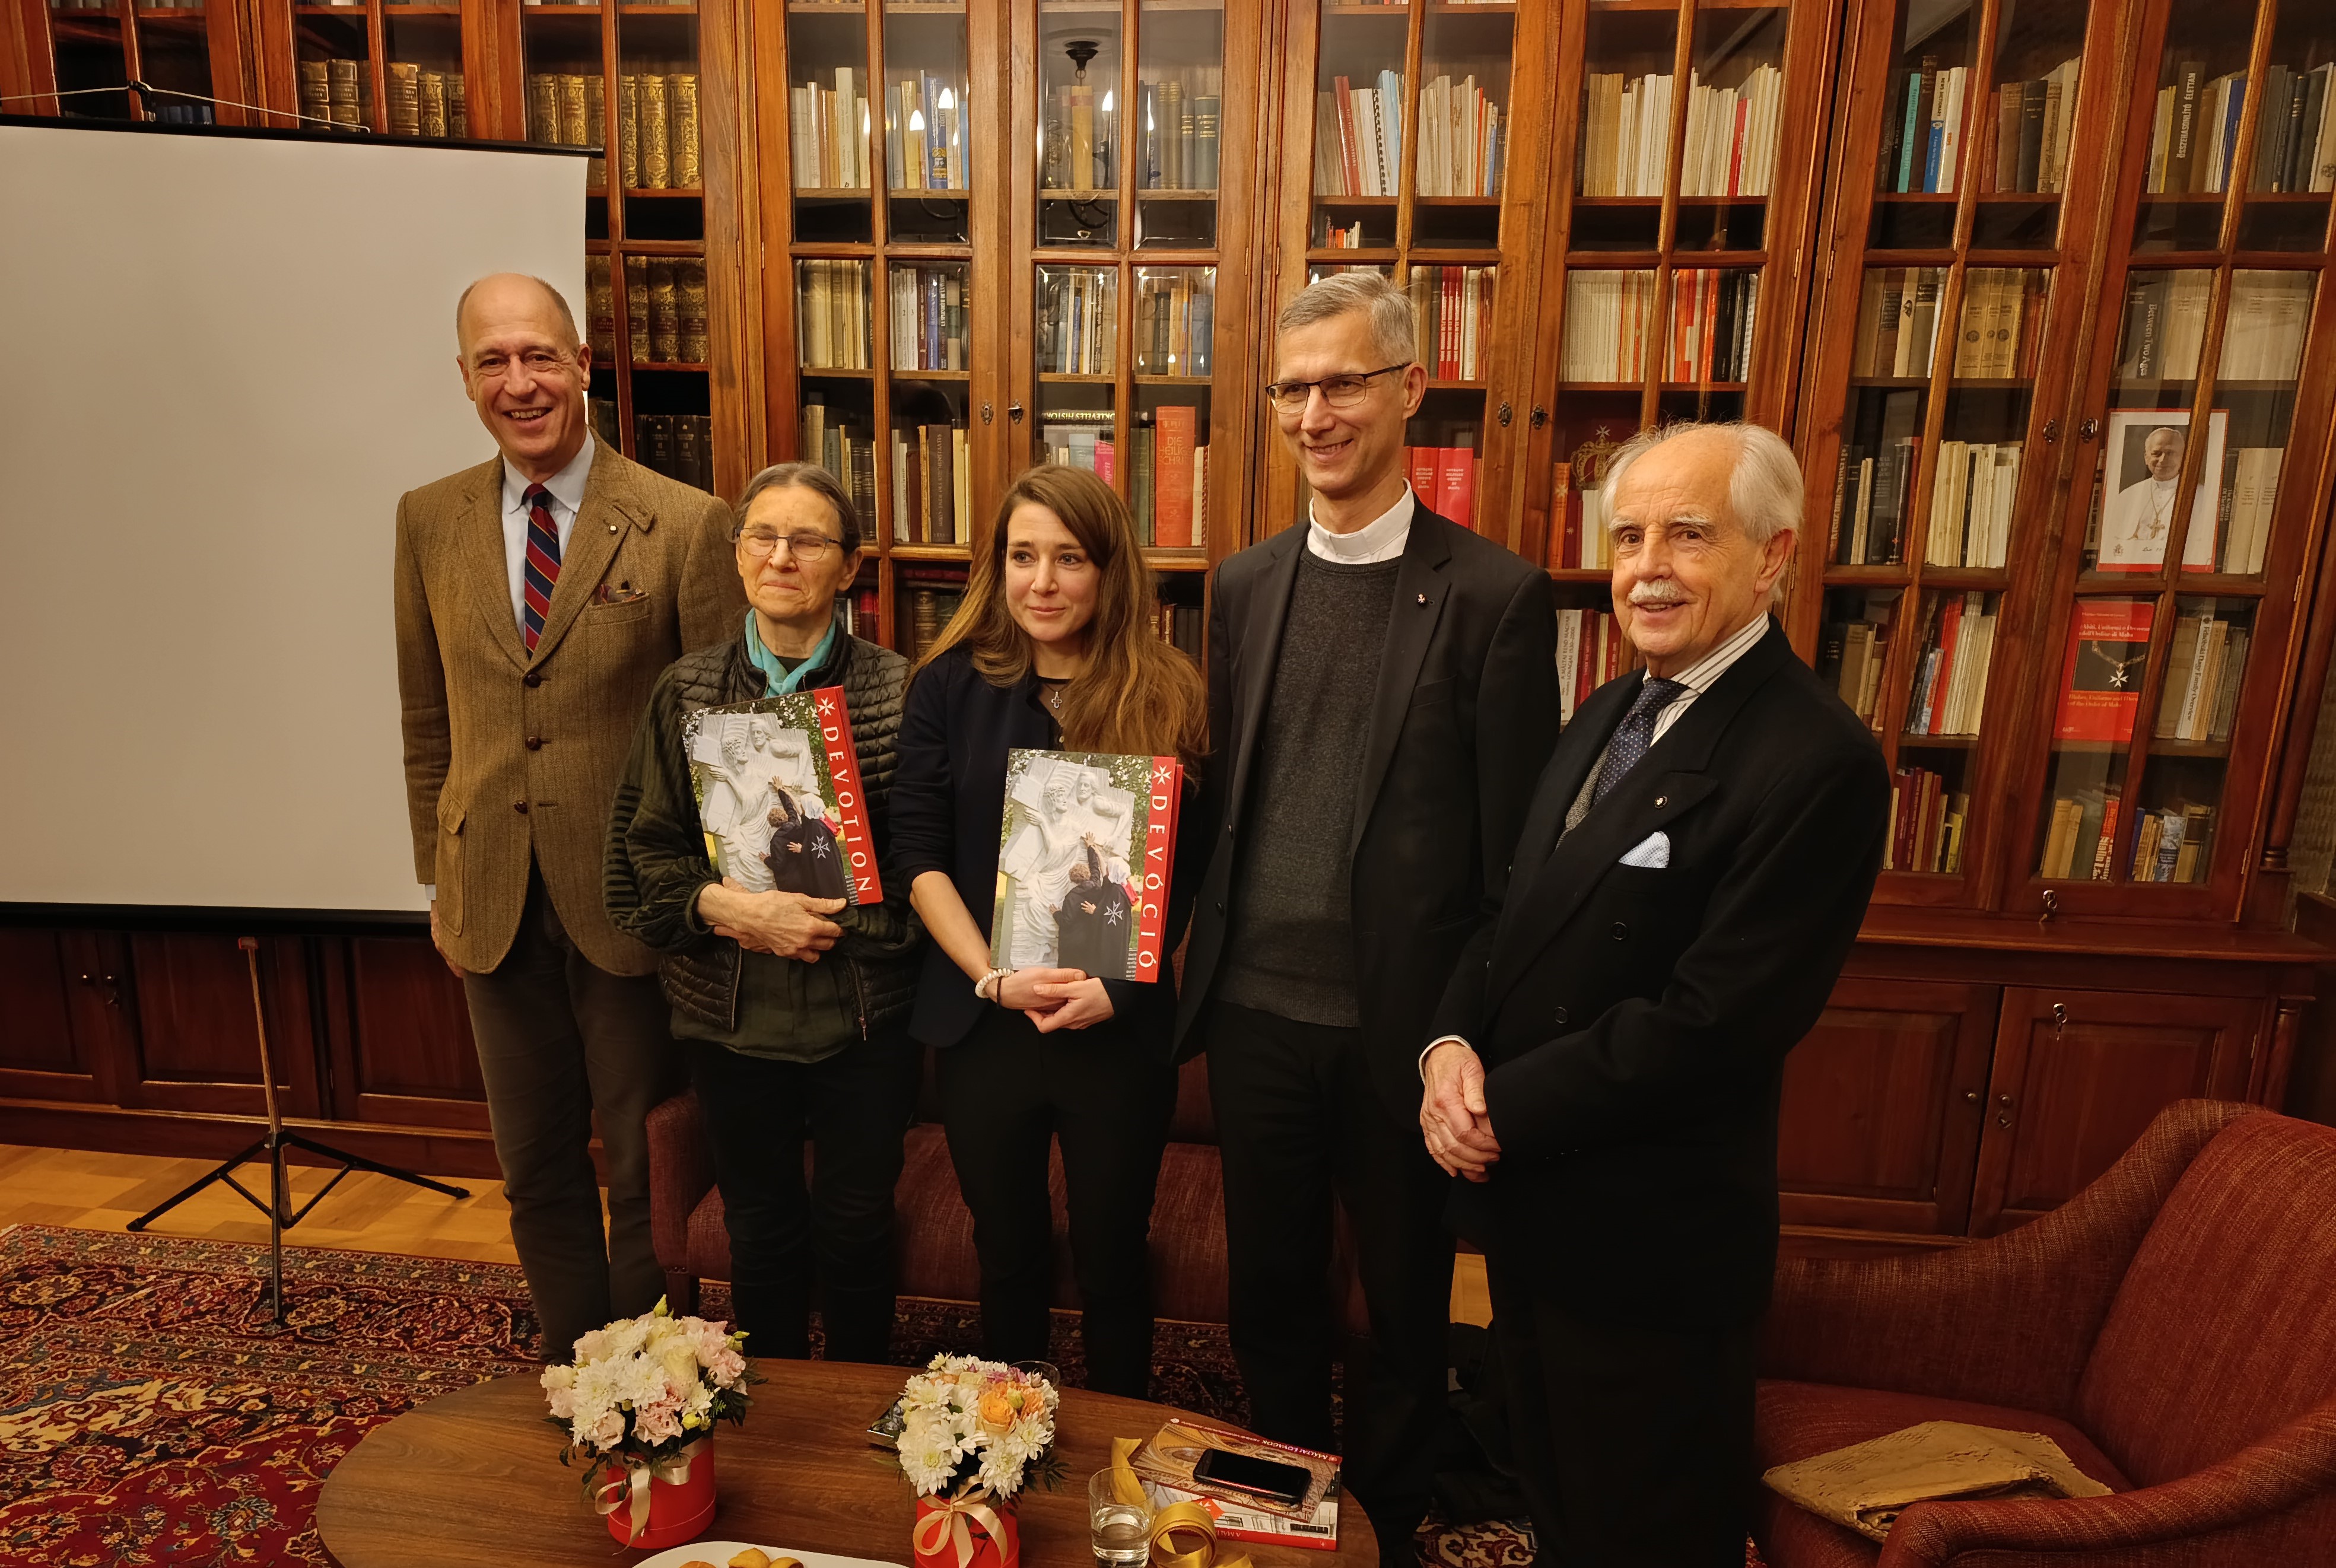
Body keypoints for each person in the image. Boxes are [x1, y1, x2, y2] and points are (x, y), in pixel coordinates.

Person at [1418, 421, 1889, 1567]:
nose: (1647, 565)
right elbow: (1508, 914)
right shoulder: (1607, 714)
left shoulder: (1814, 757)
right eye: (1628, 536)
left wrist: (1497, 1107)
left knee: (1642, 1534)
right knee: (1557, 1509)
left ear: (1772, 555)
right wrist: (1443, 1048)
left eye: (1688, 533)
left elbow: (1713, 1024)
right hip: (1533, 1220)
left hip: (1648, 1250)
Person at [1174, 270, 1561, 1550]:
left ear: (1410, 389)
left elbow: (1514, 862)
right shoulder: (1241, 584)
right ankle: (1284, 1512)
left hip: (1403, 1026)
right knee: (1270, 1290)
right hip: (1252, 1011)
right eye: (1292, 387)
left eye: (1343, 381)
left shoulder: (1496, 598)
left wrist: (1469, 1033)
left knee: (1400, 1299)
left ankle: (1385, 1521)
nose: (1314, 411)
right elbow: (1227, 793)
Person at [395, 272, 742, 1363]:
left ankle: (643, 1377)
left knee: (645, 1161)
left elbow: (717, 743)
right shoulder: (426, 520)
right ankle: (569, 1362)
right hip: (490, 896)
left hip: (631, 904)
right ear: (465, 380)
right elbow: (424, 713)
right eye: (493, 361)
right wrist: (439, 882)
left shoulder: (683, 523)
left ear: (581, 360)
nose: (520, 381)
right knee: (534, 1156)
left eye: (539, 355)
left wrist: (700, 898)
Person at [889, 463, 1206, 1398]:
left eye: (1069, 558)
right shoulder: (947, 686)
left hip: (1119, 1021)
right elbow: (918, 854)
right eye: (1023, 555)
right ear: (998, 566)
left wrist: (1126, 980)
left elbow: (1189, 871)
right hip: (988, 1019)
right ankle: (1005, 1435)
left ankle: (1113, 1432)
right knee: (1007, 1245)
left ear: (1109, 571)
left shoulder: (1172, 692)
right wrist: (991, 975)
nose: (1043, 581)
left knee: (1114, 1250)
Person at [603, 462, 921, 1365]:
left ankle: (860, 1397)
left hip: (867, 1020)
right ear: (738, 553)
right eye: (763, 536)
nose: (782, 556)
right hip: (730, 1020)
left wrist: (824, 923)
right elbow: (637, 865)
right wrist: (725, 907)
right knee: (759, 1232)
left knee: (859, 1229)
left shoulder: (900, 694)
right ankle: (773, 1409)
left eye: (809, 539)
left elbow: (925, 871)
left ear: (848, 565)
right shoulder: (688, 689)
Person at [2099, 424, 2186, 568]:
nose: (2163, 460)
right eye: (2156, 453)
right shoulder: (2127, 496)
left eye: (2170, 453)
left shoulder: (2199, 496)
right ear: (2146, 458)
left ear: (2183, 458)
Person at [764, 785, 848, 901]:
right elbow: (796, 811)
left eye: (804, 806)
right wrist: (787, 794)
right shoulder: (816, 819)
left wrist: (803, 850)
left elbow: (821, 851)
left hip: (827, 872)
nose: (803, 808)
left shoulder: (816, 827)